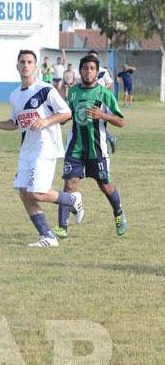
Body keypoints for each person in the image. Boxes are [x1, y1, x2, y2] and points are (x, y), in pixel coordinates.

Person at [0, 49, 81, 248]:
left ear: (35, 67)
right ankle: (48, 236)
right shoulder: (15, 95)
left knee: (36, 192)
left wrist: (45, 121)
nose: (25, 66)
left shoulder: (46, 90)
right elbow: (16, 122)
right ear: (17, 66)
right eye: (22, 62)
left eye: (29, 62)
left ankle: (71, 199)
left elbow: (66, 113)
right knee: (24, 192)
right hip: (27, 149)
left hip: (46, 147)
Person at [55, 53, 127, 238]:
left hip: (98, 150)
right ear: (80, 71)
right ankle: (62, 227)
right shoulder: (73, 92)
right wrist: (62, 118)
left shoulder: (105, 94)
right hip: (75, 148)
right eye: (85, 68)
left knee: (105, 185)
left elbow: (120, 121)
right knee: (69, 185)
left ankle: (118, 213)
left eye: (92, 69)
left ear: (97, 72)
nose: (88, 72)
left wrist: (102, 115)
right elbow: (67, 114)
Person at [87, 49, 118, 153]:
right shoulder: (85, 70)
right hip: (87, 101)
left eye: (94, 57)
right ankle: (109, 140)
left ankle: (105, 146)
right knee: (91, 124)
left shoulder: (102, 71)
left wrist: (102, 91)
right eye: (91, 57)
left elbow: (110, 83)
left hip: (100, 102)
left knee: (97, 123)